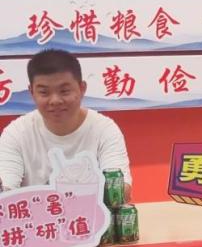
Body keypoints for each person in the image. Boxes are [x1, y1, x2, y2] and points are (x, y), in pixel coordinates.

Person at [0, 49, 132, 196]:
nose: (55, 101)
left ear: (82, 88)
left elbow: (122, 190)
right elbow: (6, 190)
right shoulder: (16, 134)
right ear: (32, 93)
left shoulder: (104, 130)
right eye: (44, 92)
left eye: (64, 91)